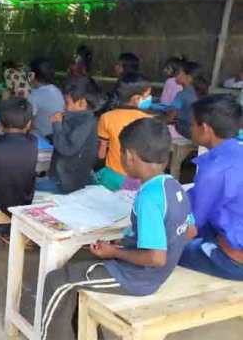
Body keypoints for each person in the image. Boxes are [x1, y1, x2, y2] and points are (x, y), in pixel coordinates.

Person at [41, 118, 195, 340]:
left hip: (137, 278)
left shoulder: (148, 197)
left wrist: (115, 252)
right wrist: (129, 243)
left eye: (120, 152)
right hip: (155, 273)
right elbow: (190, 231)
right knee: (78, 269)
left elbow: (155, 257)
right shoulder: (172, 185)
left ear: (130, 155)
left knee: (57, 282)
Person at [179, 95, 243, 280]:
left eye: (192, 124)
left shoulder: (214, 170)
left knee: (157, 250)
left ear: (205, 128)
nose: (190, 128)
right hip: (232, 232)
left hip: (233, 260)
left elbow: (192, 227)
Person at [36, 77, 100, 194]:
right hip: (61, 174)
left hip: (68, 181)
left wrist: (57, 124)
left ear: (82, 103)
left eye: (67, 102)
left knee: (32, 190)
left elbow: (67, 148)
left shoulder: (86, 123)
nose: (64, 106)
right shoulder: (76, 117)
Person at [96, 73, 152, 191]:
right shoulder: (148, 120)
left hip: (111, 176)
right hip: (135, 177)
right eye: (147, 95)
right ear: (136, 98)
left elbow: (101, 153)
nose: (150, 98)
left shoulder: (106, 117)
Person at [167, 61, 209, 139]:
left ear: (189, 78)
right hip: (198, 131)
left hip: (185, 131)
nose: (175, 76)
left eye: (179, 73)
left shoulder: (182, 95)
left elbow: (170, 118)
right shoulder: (202, 93)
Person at [27, 57, 64, 138]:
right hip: (56, 139)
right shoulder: (57, 91)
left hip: (40, 140)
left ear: (32, 75)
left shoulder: (35, 95)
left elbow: (28, 124)